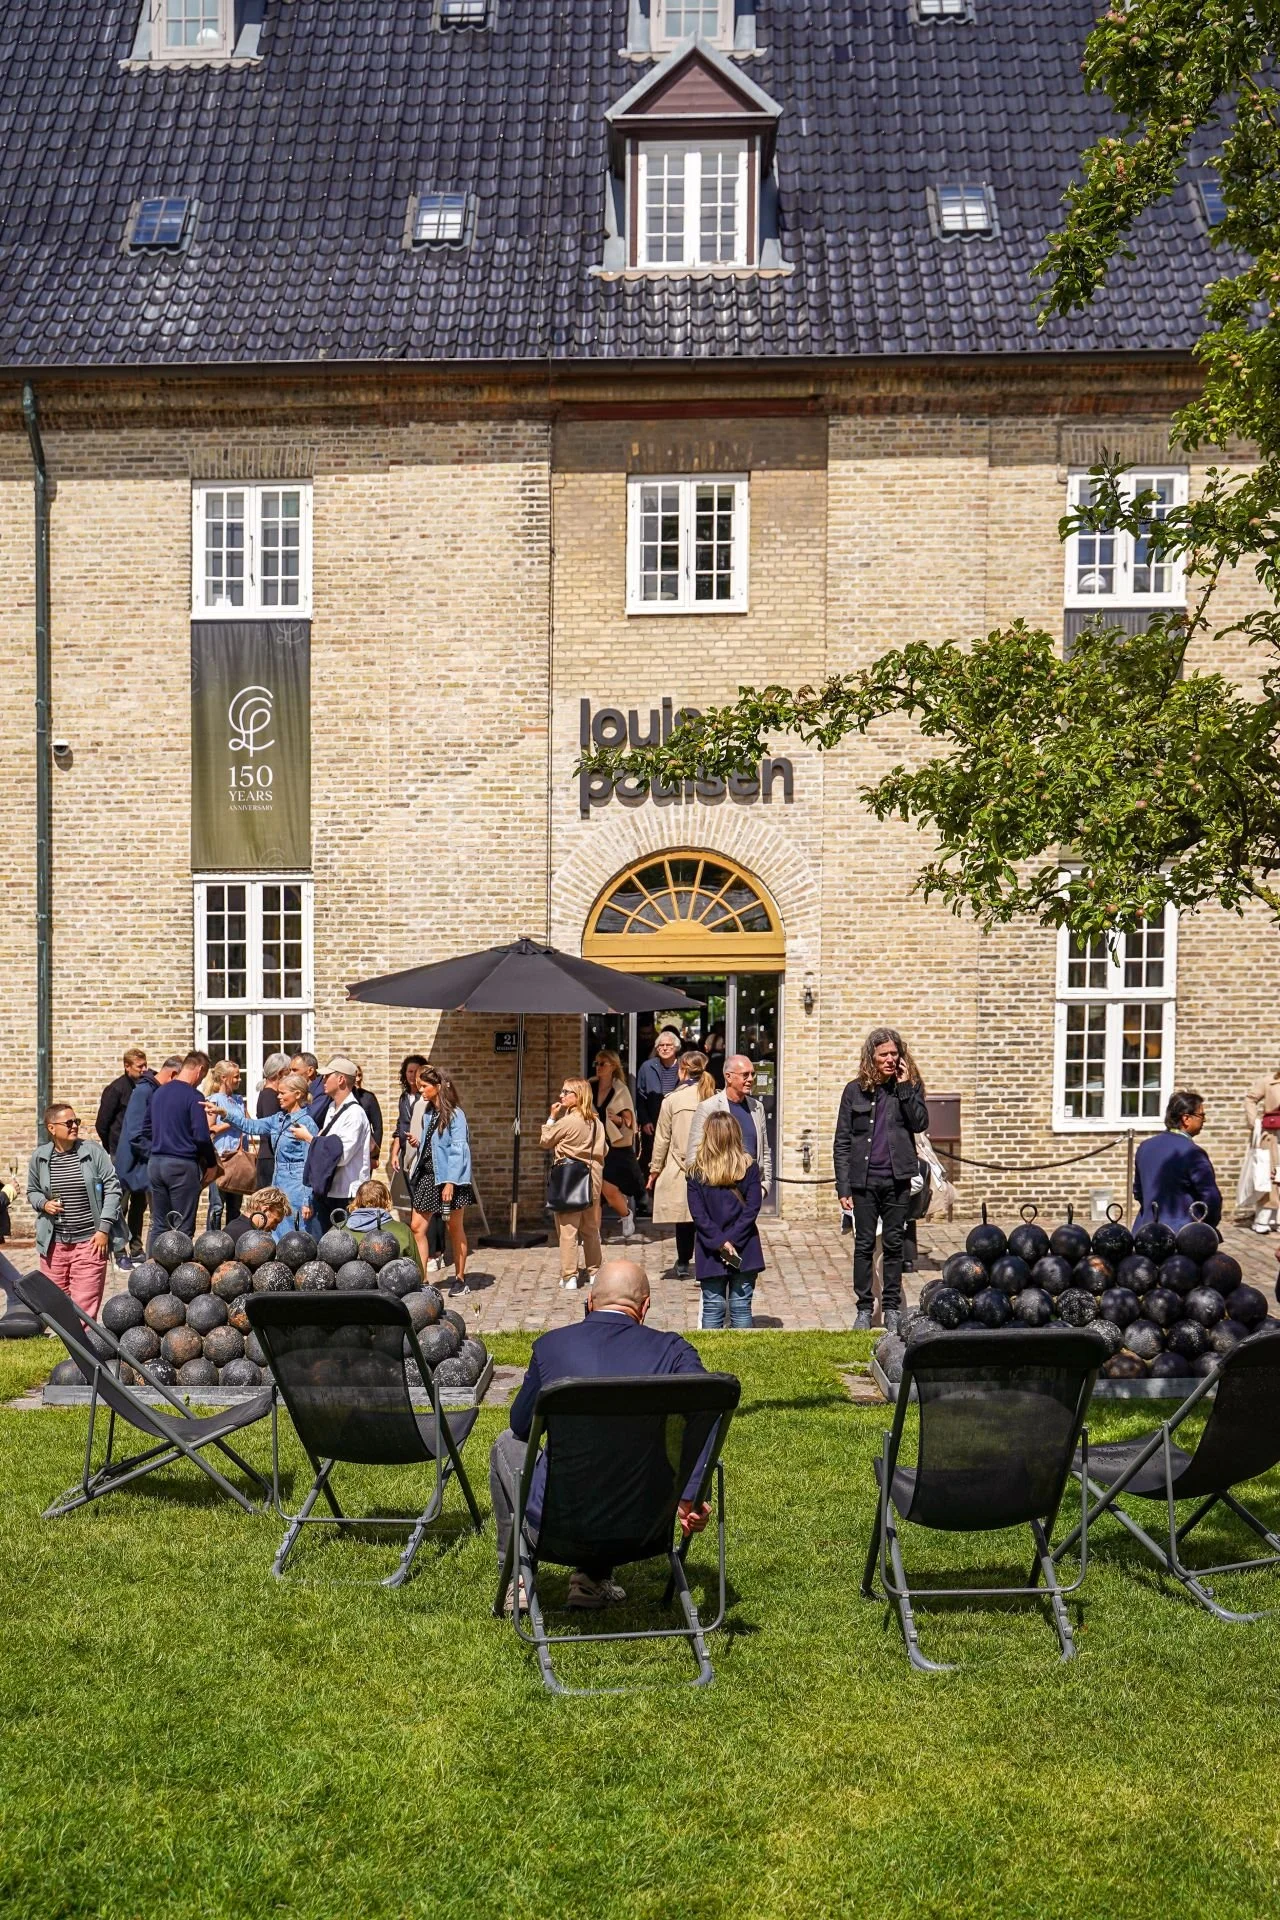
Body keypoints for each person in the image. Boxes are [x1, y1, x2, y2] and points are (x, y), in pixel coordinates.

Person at [488, 1260, 712, 1612]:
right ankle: (591, 1581)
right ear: (646, 1306)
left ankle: (515, 1576)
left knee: (505, 1443)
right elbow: (706, 1410)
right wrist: (692, 1494)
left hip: (554, 1530)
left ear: (590, 1301)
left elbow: (521, 1427)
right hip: (643, 1530)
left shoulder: (552, 1348)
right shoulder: (674, 1354)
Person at [833, 1026, 929, 1334]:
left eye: (894, 1053)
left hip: (897, 1179)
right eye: (883, 1054)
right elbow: (842, 1141)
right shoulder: (854, 1090)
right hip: (863, 1182)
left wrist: (903, 1088)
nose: (889, 1059)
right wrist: (843, 1186)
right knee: (863, 1246)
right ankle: (864, 1308)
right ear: (871, 1057)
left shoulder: (909, 1086)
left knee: (893, 1244)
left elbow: (920, 1123)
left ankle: (891, 1309)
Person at [27, 1103, 124, 1317]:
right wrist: (44, 1204)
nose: (74, 1126)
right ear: (52, 1128)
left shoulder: (93, 1152)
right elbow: (32, 1191)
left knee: (84, 1305)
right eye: (68, 1123)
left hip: (90, 1241)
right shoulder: (41, 1157)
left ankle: (79, 1350)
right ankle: (71, 1347)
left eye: (76, 1121)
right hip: (54, 1245)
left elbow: (113, 1189)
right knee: (55, 1303)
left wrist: (103, 1229)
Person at [686, 1111, 764, 1329]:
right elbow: (752, 1209)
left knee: (713, 1308)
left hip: (711, 1247)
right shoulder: (749, 1168)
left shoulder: (696, 1173)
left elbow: (699, 1216)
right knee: (741, 1307)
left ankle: (710, 1360)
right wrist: (732, 1240)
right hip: (744, 1245)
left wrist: (721, 1242)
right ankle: (744, 1361)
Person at [648, 1050, 716, 1277]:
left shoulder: (672, 1100)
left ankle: (684, 1260)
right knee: (707, 1215)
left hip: (681, 1164)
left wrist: (655, 1169)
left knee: (684, 1217)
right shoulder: (715, 1098)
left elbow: (662, 1138)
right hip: (710, 1164)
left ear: (683, 1069)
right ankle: (708, 1260)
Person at [406, 1067, 473, 1291]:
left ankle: (460, 1279)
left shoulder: (455, 1114)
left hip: (449, 1178)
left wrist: (450, 1182)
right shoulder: (427, 1113)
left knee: (454, 1227)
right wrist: (420, 1143)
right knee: (417, 1227)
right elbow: (434, 1145)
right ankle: (423, 1280)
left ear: (437, 1087)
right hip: (427, 1175)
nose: (420, 1089)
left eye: (424, 1086)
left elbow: (458, 1149)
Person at [541, 1075, 606, 1290]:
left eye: (565, 1092)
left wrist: (551, 1117)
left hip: (569, 1179)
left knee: (568, 1230)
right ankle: (595, 1272)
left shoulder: (568, 1121)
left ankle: (569, 1276)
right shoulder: (596, 1121)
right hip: (592, 1179)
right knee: (590, 1228)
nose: (561, 1095)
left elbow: (546, 1141)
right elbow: (604, 1150)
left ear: (577, 1096)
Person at [115, 1053, 183, 1257]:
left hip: (149, 1162)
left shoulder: (155, 1091)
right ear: (172, 1075)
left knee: (152, 1214)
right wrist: (158, 1154)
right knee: (127, 1208)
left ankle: (148, 1254)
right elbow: (135, 1134)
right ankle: (124, 1253)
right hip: (138, 1163)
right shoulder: (143, 1091)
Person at [146, 1051, 214, 1244]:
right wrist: (211, 1163)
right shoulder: (194, 1096)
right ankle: (179, 1273)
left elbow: (145, 1129)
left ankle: (151, 1271)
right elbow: (201, 1136)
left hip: (156, 1163)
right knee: (182, 1226)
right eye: (203, 1075)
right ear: (200, 1069)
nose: (201, 1080)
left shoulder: (158, 1092)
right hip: (181, 1165)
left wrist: (158, 1148)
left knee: (159, 1224)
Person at [684, 1054, 773, 1198]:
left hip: (751, 1191)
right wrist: (706, 1194)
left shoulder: (757, 1107)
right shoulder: (708, 1107)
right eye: (745, 1075)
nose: (750, 1079)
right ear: (728, 1077)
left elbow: (764, 1151)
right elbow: (693, 1156)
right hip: (719, 1192)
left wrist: (764, 1187)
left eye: (752, 1074)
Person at [1134, 1089, 1223, 1233]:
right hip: (1182, 1235)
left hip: (1145, 1231)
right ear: (1186, 1119)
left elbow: (1138, 1192)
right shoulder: (1193, 1152)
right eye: (1201, 1115)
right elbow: (1211, 1198)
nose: (1204, 1120)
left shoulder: (1145, 1146)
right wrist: (1206, 1225)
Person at [302, 1056, 373, 1235]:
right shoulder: (333, 1108)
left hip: (347, 1193)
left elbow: (342, 1156)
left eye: (327, 1076)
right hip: (330, 1189)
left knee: (344, 1248)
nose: (322, 1080)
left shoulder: (355, 1114)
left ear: (341, 1079)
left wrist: (311, 1140)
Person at [248, 1071, 319, 1234]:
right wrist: (225, 1114)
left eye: (282, 1093)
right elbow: (251, 1126)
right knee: (277, 1226)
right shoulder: (278, 1119)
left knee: (294, 1229)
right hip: (278, 1180)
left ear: (297, 1094)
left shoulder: (306, 1123)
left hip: (296, 1185)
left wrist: (307, 1199)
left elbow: (311, 1163)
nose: (278, 1096)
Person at [592, 1049, 644, 1240]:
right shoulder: (590, 1086)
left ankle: (625, 1214)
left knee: (608, 1189)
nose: (598, 1067)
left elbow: (630, 1122)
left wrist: (617, 1120)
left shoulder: (620, 1089)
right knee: (594, 1193)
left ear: (613, 1066)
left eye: (602, 1064)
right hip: (594, 1144)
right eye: (596, 1064)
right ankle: (594, 1237)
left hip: (615, 1147)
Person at [203, 1058, 250, 1232]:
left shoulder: (238, 1100)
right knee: (217, 1206)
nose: (239, 1080)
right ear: (224, 1078)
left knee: (235, 1207)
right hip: (221, 1158)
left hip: (238, 1159)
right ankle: (211, 1238)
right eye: (236, 1077)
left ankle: (231, 1239)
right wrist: (232, 1122)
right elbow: (210, 1129)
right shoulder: (214, 1100)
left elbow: (249, 1123)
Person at [636, 1027, 683, 1183]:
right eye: (660, 1046)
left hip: (678, 1122)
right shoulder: (647, 1067)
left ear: (676, 1047)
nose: (664, 1048)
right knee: (652, 1160)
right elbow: (640, 1096)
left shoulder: (684, 1066)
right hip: (654, 1123)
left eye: (668, 1045)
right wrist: (644, 1120)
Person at [346, 1178, 422, 1268]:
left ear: (357, 1200)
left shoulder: (337, 1229)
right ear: (387, 1200)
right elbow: (417, 1271)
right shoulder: (402, 1231)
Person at [1244, 1067, 1280, 1233]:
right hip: (1272, 1134)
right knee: (1270, 1176)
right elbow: (1250, 1099)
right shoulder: (1269, 1081)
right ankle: (1264, 1219)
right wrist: (1254, 1122)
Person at [94, 1048, 147, 1159]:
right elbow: (102, 1124)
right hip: (121, 1150)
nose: (144, 1069)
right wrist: (112, 1147)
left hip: (141, 1148)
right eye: (140, 1066)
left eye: (145, 1065)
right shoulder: (116, 1089)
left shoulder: (145, 1086)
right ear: (127, 1066)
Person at [253, 1052, 292, 1188]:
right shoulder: (270, 1096)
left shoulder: (269, 1095)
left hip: (269, 1156)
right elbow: (273, 1127)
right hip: (270, 1157)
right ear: (280, 1073)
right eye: (289, 1072)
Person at [224, 1186, 291, 1245]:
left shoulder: (232, 1226)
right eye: (275, 1221)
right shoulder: (252, 1239)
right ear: (265, 1210)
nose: (274, 1228)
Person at [353, 1066, 384, 1171]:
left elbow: (378, 1127)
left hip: (365, 1149)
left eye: (360, 1075)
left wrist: (374, 1155)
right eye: (355, 1076)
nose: (358, 1079)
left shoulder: (368, 1097)